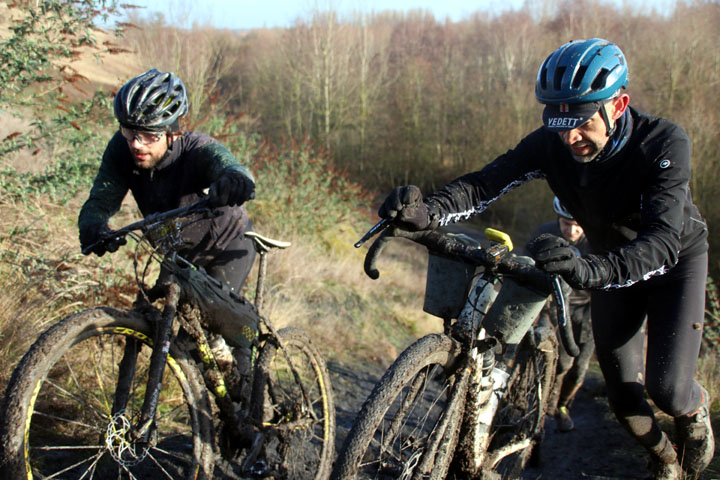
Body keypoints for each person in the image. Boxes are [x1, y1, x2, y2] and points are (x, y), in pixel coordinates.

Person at [377, 38, 713, 479]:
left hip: (675, 264)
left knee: (667, 390)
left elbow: (663, 241)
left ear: (619, 104)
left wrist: (588, 268)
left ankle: (695, 413)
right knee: (624, 403)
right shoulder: (554, 143)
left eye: (581, 122)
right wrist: (427, 210)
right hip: (606, 262)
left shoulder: (663, 142)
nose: (570, 137)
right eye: (559, 123)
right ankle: (668, 461)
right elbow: (485, 184)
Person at [78, 68, 257, 395]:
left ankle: (250, 408)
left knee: (221, 332)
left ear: (171, 132)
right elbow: (102, 197)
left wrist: (234, 179)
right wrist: (93, 223)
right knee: (175, 334)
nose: (136, 144)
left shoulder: (196, 149)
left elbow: (227, 164)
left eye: (149, 135)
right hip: (177, 255)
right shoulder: (121, 150)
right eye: (130, 132)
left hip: (227, 245)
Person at [526, 197, 594, 433]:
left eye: (578, 225)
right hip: (553, 304)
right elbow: (526, 263)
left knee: (579, 368)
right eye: (566, 224)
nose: (572, 230)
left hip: (586, 309)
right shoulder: (545, 234)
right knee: (561, 361)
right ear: (558, 220)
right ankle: (542, 405)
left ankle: (563, 406)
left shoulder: (596, 242)